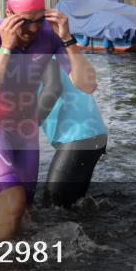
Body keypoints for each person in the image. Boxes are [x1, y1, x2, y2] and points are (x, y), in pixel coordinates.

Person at [0, 0, 97, 239]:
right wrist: (7, 47)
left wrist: (68, 40)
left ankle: (18, 266)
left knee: (25, 209)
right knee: (13, 202)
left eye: (40, 19)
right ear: (9, 14)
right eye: (25, 21)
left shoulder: (50, 35)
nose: (34, 28)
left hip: (23, 128)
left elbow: (87, 85)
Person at [36, 58, 107, 208]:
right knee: (73, 205)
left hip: (80, 135)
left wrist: (28, 125)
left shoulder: (38, 53)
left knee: (54, 207)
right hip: (89, 133)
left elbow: (54, 87)